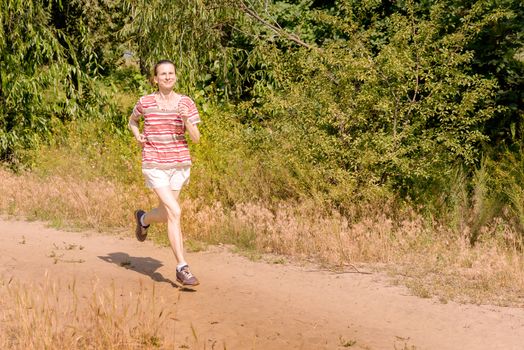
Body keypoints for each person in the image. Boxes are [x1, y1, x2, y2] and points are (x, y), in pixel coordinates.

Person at [128, 59, 201, 287]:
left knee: (167, 213)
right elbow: (132, 121)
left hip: (178, 164)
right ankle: (182, 267)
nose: (168, 77)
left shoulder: (186, 103)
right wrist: (137, 134)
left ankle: (143, 219)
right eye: (163, 74)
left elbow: (197, 138)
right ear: (155, 79)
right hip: (154, 163)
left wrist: (186, 120)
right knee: (175, 211)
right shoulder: (145, 102)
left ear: (176, 76)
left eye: (171, 73)